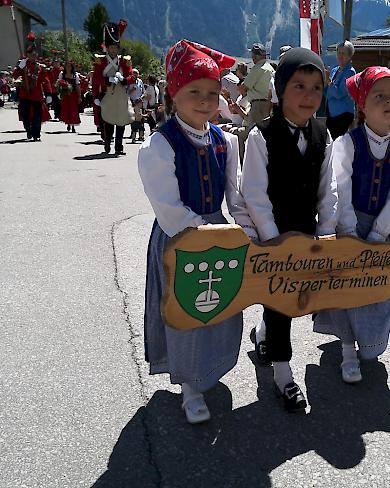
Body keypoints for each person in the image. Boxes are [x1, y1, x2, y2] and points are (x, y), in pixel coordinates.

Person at [137, 39, 257, 425]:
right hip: (180, 240)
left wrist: (243, 228)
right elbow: (168, 207)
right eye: (194, 92)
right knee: (187, 311)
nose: (205, 100)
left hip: (217, 234)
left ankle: (211, 366)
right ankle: (190, 384)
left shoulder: (224, 140)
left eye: (211, 92)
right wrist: (200, 230)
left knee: (219, 307)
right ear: (174, 93)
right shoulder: (160, 144)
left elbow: (235, 194)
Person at [241, 47, 337, 412]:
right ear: (280, 89)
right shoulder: (261, 135)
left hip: (307, 231)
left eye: (316, 87)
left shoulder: (322, 135)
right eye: (299, 85)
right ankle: (283, 373)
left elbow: (328, 189)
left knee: (290, 295)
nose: (309, 95)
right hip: (274, 233)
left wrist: (325, 232)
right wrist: (272, 237)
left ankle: (264, 334)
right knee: (281, 296)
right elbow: (253, 192)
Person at [313, 67, 390, 383]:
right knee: (344, 289)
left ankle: (367, 342)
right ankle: (347, 348)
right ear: (362, 104)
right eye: (379, 96)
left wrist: (377, 233)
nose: (388, 102)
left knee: (377, 290)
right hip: (350, 223)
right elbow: (339, 188)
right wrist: (347, 229)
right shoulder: (347, 143)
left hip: (382, 230)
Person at [92, 20, 135, 155]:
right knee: (109, 119)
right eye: (111, 47)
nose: (113, 50)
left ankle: (118, 146)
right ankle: (108, 140)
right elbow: (96, 78)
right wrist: (107, 80)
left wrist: (124, 80)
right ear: (107, 48)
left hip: (121, 94)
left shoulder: (124, 60)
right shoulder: (101, 60)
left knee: (121, 120)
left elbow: (131, 76)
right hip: (107, 93)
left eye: (115, 48)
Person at [12, 40, 52, 142]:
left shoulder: (40, 68)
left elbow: (45, 80)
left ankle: (36, 134)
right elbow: (14, 76)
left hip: (37, 95)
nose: (34, 56)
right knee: (24, 114)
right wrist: (19, 67)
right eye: (32, 54)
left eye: (35, 54)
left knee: (37, 115)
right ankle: (28, 129)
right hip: (25, 94)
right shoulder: (23, 65)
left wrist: (48, 93)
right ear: (28, 55)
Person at [325, 40, 356, 140]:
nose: (340, 56)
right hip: (331, 112)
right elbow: (328, 93)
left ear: (350, 55)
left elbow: (339, 93)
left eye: (343, 53)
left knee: (339, 143)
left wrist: (329, 82)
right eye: (338, 53)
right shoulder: (335, 70)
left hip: (343, 114)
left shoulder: (350, 72)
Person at [243, 43, 274, 129]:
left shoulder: (258, 68)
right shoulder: (270, 69)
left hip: (257, 105)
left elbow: (244, 87)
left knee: (253, 132)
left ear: (255, 56)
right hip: (268, 104)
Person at [57, 60, 82, 132]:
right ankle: (68, 124)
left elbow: (77, 86)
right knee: (66, 109)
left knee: (73, 110)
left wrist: (79, 96)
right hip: (65, 94)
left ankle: (73, 125)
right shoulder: (62, 74)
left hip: (73, 94)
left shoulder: (75, 75)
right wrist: (60, 93)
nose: (68, 67)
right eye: (67, 66)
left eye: (69, 66)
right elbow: (59, 84)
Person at [128, 68, 146, 142]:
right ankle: (133, 135)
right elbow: (126, 92)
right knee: (133, 120)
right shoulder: (129, 82)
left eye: (136, 74)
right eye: (134, 73)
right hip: (132, 102)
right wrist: (132, 90)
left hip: (139, 102)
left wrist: (141, 98)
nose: (135, 75)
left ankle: (141, 136)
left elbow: (144, 92)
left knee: (141, 119)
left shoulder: (140, 81)